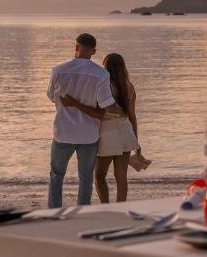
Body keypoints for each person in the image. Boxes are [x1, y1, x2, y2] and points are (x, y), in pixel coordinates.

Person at [61, 53, 144, 203]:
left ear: (106, 67)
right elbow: (132, 116)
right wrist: (136, 143)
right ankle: (121, 207)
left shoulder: (103, 85)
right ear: (123, 67)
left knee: (99, 177)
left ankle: (106, 206)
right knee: (121, 177)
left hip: (107, 134)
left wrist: (75, 104)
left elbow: (98, 113)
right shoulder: (129, 87)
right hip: (126, 132)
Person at [46, 33, 116, 207]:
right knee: (86, 178)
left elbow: (51, 96)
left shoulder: (58, 71)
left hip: (63, 132)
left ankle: (54, 210)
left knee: (56, 175)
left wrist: (71, 104)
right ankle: (82, 210)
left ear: (76, 47)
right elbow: (104, 106)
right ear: (93, 51)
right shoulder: (101, 74)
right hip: (88, 134)